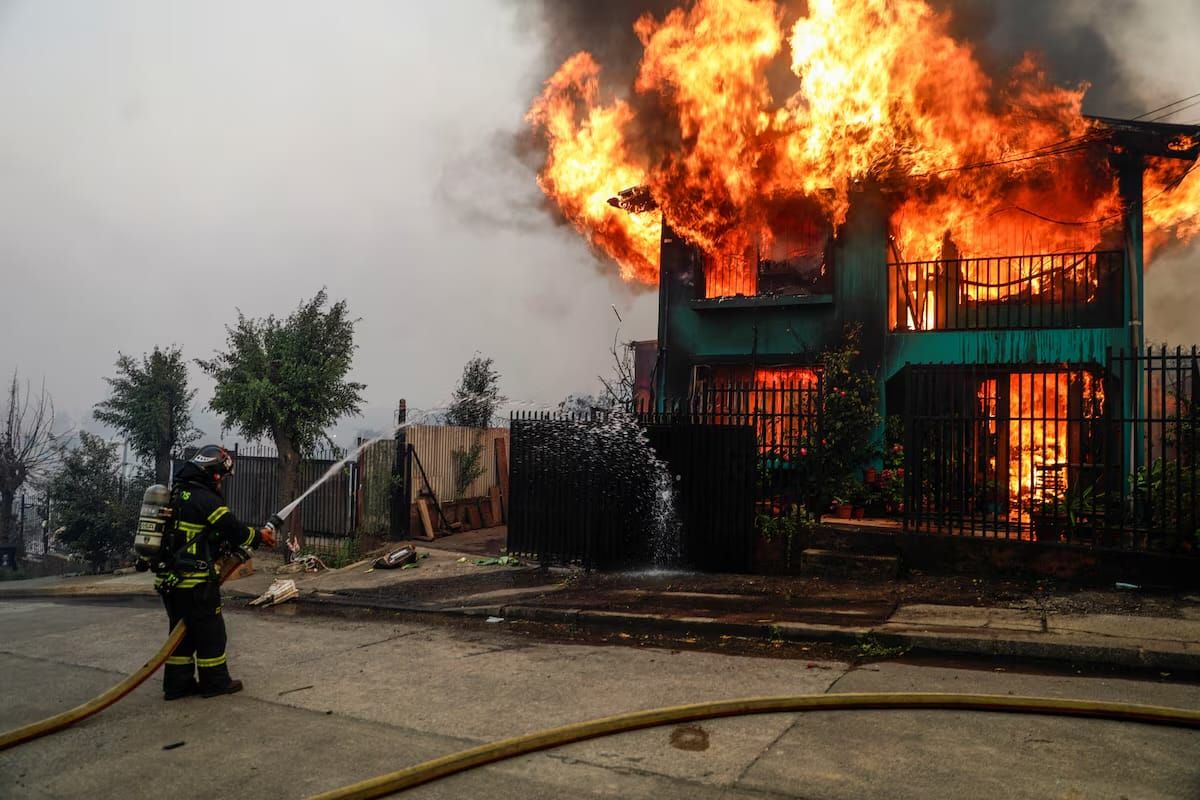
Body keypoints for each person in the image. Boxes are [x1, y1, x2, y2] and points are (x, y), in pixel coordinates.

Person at [155, 445, 275, 700]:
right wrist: (259, 536)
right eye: (221, 477)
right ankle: (215, 683)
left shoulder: (178, 494)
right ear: (213, 473)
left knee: (181, 635)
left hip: (171, 581)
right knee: (211, 634)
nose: (221, 483)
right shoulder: (206, 499)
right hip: (196, 582)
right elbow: (233, 529)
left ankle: (177, 686)